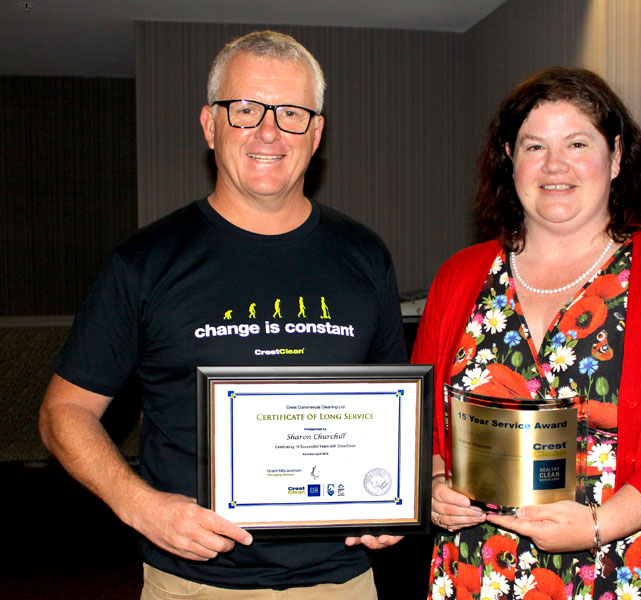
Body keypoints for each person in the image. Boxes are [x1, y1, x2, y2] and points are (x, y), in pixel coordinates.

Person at [39, 30, 406, 599]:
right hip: (194, 583)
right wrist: (139, 505)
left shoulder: (364, 256)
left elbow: (390, 409)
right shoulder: (144, 263)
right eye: (245, 110)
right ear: (210, 125)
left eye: (291, 112)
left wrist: (389, 500)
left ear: (316, 133)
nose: (268, 131)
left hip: (342, 582)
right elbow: (64, 412)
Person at [411, 67, 641, 599]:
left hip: (626, 561)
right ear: (509, 158)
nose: (554, 165)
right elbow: (426, 419)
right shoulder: (459, 276)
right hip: (481, 565)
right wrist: (434, 487)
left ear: (616, 156)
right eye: (533, 146)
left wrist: (600, 524)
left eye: (577, 143)